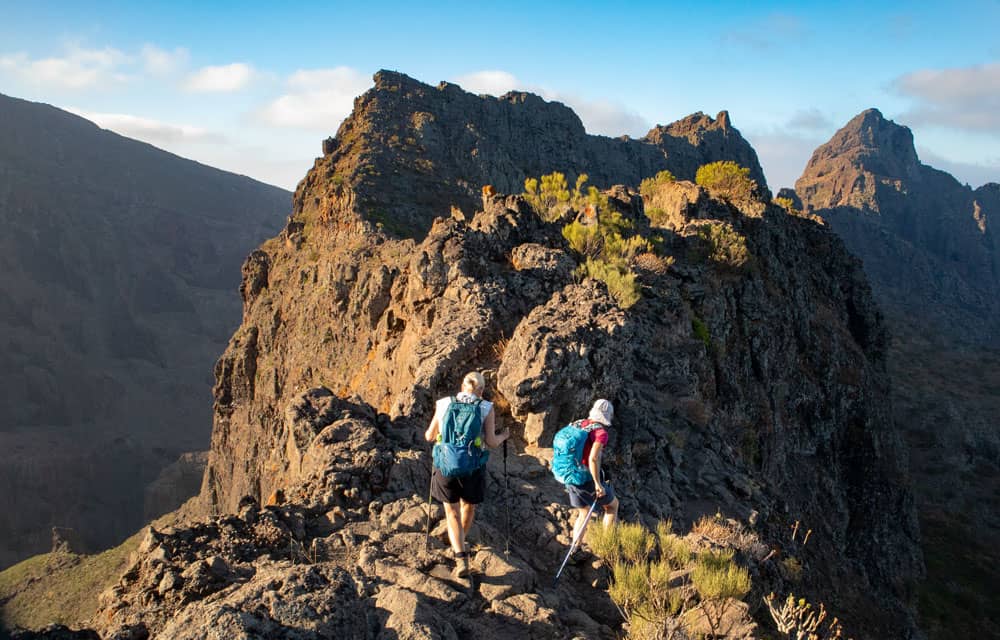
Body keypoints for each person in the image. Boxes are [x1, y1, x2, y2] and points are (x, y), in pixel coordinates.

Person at [424, 371, 509, 578]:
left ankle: (460, 556)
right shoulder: (485, 407)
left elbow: (429, 436)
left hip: (445, 466)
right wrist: (505, 435)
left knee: (451, 511)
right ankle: (460, 537)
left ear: (462, 386)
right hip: (472, 467)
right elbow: (490, 442)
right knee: (468, 507)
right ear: (481, 390)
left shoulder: (444, 403)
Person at [566, 399, 619, 544]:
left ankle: (575, 548)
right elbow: (594, 459)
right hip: (585, 478)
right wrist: (597, 484)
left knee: (584, 512)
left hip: (570, 474)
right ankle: (608, 544)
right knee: (612, 506)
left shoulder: (578, 424)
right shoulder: (600, 433)